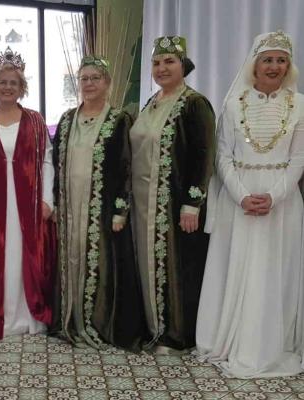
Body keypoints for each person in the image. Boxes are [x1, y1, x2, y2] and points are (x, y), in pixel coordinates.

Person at [197, 30, 304, 377]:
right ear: (254, 65)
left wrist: (274, 195)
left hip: (282, 204)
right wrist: (242, 194)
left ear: (289, 66)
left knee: (275, 271)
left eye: (281, 60)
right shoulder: (233, 104)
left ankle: (270, 343)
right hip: (238, 201)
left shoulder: (301, 105)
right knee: (237, 266)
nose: (274, 66)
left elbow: (299, 159)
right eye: (267, 59)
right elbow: (223, 156)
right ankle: (231, 339)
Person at [52, 55, 146, 350]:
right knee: (71, 259)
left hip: (102, 208)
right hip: (70, 206)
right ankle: (70, 318)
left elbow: (126, 166)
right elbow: (56, 164)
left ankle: (98, 323)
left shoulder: (119, 120)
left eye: (96, 78)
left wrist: (121, 209)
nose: (89, 84)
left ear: (107, 83)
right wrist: (55, 202)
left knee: (101, 263)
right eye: (84, 79)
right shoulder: (67, 120)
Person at [129, 36, 215, 352]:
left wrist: (193, 202)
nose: (162, 68)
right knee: (147, 264)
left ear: (183, 65)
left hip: (175, 204)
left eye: (169, 62)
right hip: (143, 204)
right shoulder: (152, 103)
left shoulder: (194, 103)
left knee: (178, 268)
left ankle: (177, 335)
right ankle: (153, 328)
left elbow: (204, 154)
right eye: (156, 63)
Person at [0, 47, 54, 340]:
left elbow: (47, 161)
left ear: (21, 87)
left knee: (25, 258)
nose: (7, 87)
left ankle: (29, 316)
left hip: (28, 203)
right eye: (2, 82)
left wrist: (47, 199)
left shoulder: (35, 120)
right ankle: (0, 317)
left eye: (13, 83)